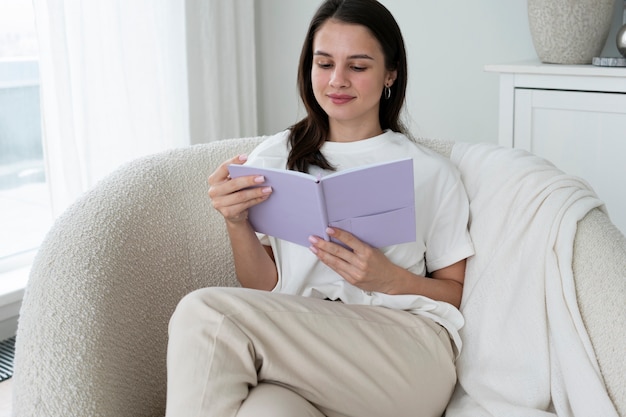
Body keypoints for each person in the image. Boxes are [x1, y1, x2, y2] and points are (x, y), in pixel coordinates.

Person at [165, 0, 474, 416]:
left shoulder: (429, 172)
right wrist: (236, 222)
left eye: (358, 67)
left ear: (390, 73)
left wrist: (387, 278)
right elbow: (265, 290)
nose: (337, 81)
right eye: (324, 63)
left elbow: (453, 294)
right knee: (263, 411)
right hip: (302, 353)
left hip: (405, 355)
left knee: (204, 313)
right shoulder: (275, 157)